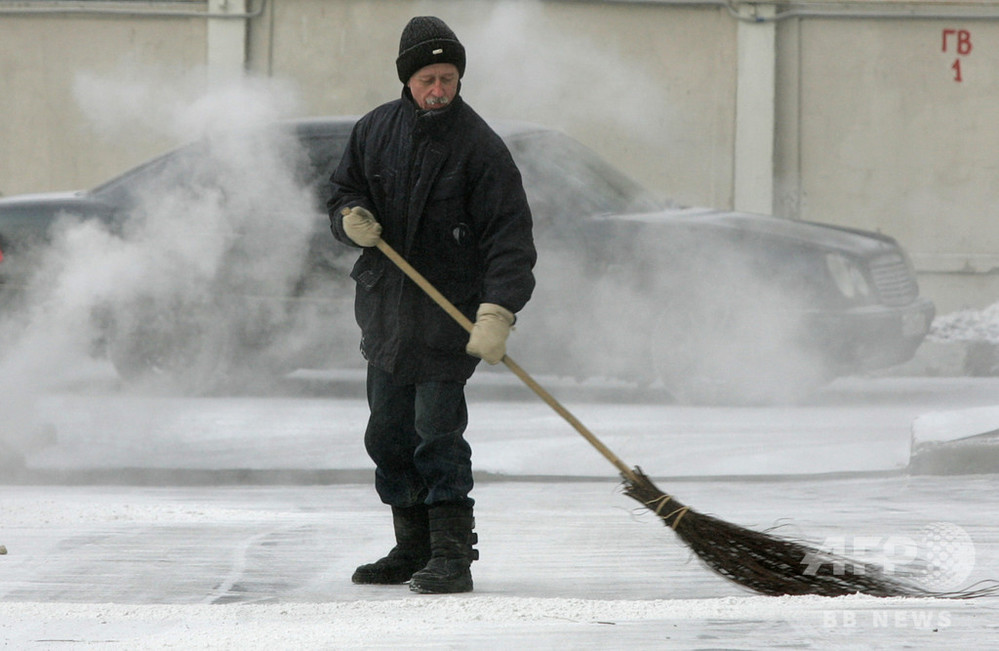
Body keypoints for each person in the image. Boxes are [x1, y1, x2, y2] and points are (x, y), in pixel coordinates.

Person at [327, 16, 537, 594]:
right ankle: (411, 547)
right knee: (387, 435)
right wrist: (350, 220)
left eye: (448, 77)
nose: (439, 89)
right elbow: (342, 190)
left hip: (448, 318)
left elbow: (510, 239)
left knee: (436, 434)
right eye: (428, 78)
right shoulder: (374, 130)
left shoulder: (480, 148)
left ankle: (451, 555)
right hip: (385, 314)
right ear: (408, 80)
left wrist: (497, 310)